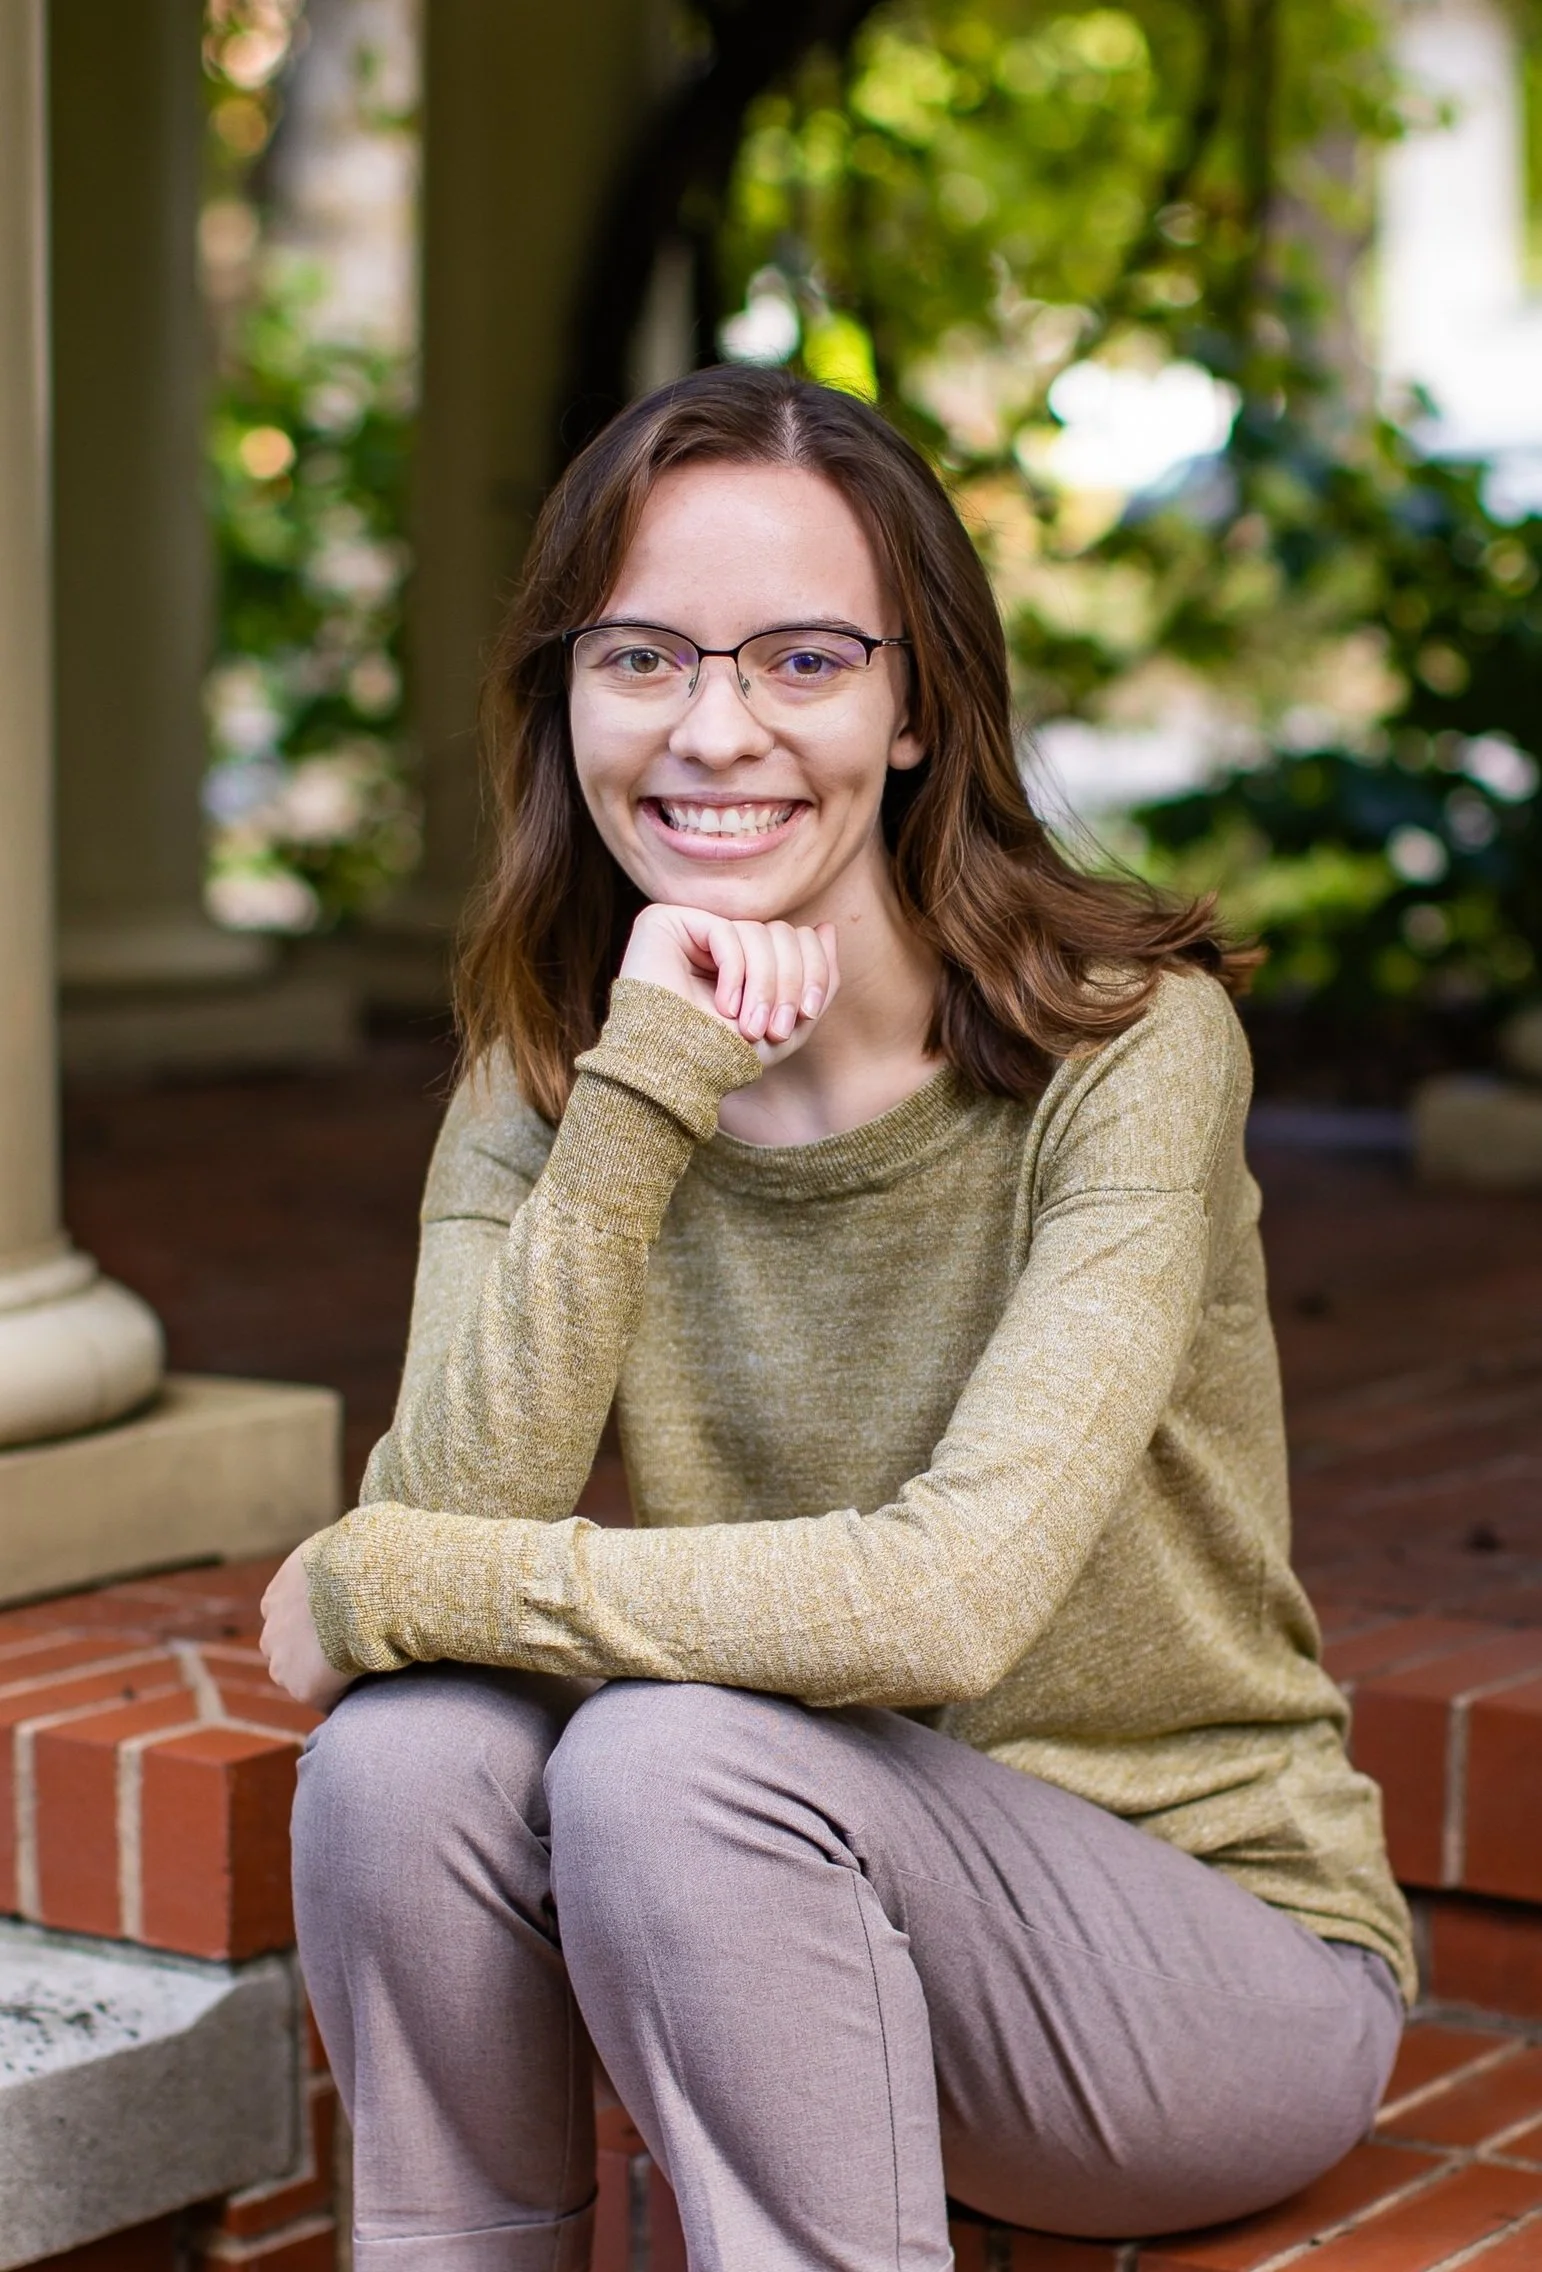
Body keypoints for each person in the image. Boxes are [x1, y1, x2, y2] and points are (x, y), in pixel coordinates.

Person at [260, 365, 1410, 2272]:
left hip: (1200, 1964)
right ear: (565, 697)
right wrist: (645, 1092)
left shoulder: (1125, 1053)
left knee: (660, 1760)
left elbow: (940, 1601)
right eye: (642, 657)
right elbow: (453, 1509)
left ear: (912, 708)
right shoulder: (553, 1080)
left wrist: (371, 1583)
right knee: (404, 1761)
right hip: (795, 1887)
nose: (715, 732)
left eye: (800, 660)